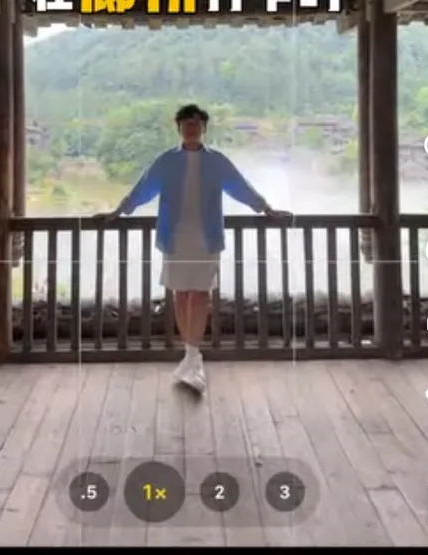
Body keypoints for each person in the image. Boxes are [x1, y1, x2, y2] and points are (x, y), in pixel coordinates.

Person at [95, 103, 292, 394]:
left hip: (206, 237)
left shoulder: (217, 161)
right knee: (180, 294)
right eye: (186, 123)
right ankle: (190, 354)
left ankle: (192, 353)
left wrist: (267, 209)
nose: (191, 128)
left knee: (200, 294)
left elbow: (240, 187)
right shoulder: (166, 161)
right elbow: (142, 189)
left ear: (204, 128)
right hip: (175, 237)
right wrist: (117, 212)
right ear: (179, 128)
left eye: (197, 123)